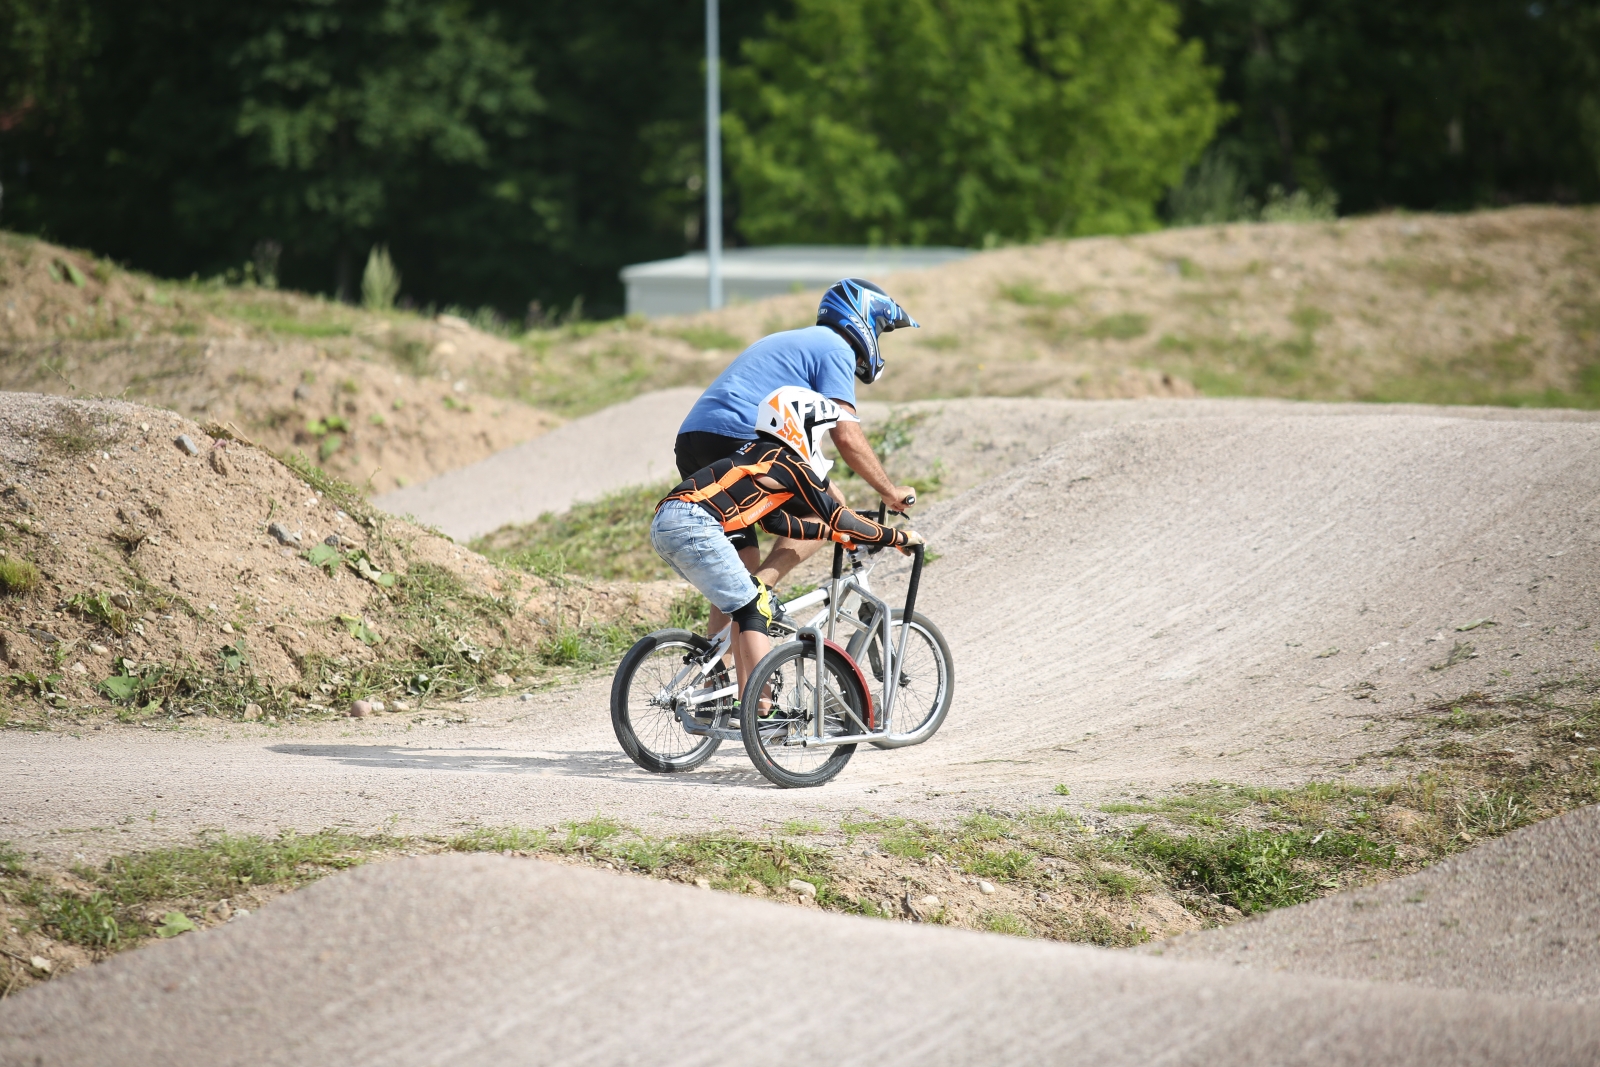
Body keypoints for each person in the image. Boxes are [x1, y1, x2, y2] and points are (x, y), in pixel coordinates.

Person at [674, 278, 919, 638]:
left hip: (694, 440)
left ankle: (715, 678)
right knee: (827, 506)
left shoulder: (797, 340)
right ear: (863, 320)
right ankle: (762, 592)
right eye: (880, 329)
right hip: (741, 436)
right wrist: (889, 491)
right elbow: (847, 435)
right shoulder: (836, 347)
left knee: (739, 566)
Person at [652, 386, 924, 707]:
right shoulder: (789, 461)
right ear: (802, 428)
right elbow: (839, 516)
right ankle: (763, 709)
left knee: (742, 605)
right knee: (753, 607)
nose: (821, 444)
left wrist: (834, 535)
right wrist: (897, 538)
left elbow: (776, 523)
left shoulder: (761, 453)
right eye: (820, 435)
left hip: (667, 522)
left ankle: (731, 694)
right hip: (695, 522)